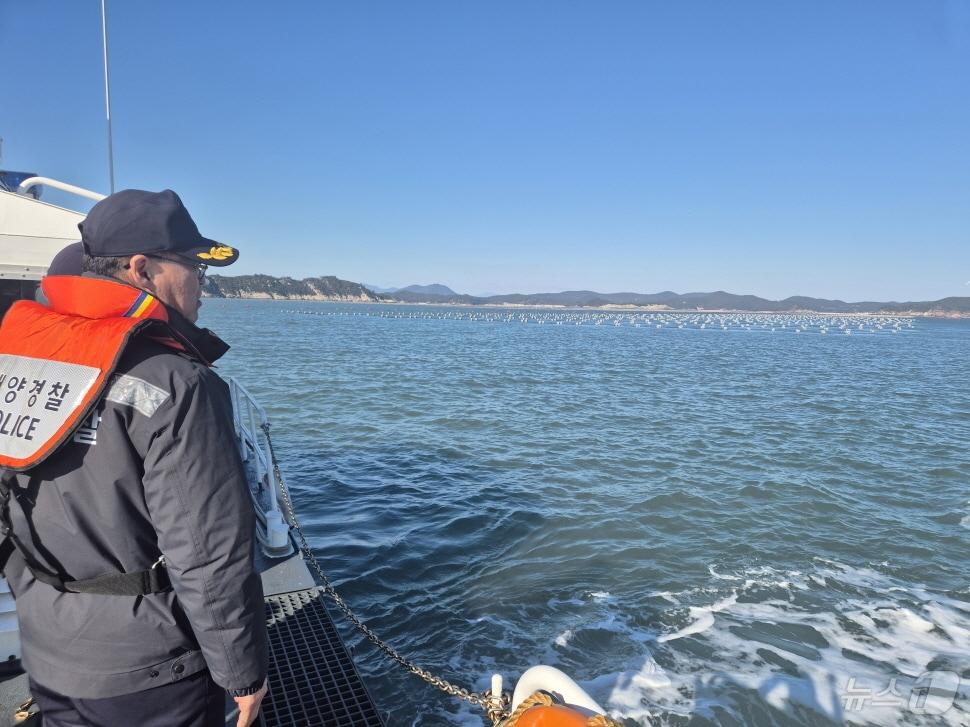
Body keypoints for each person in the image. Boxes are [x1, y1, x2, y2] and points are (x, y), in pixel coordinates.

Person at [0, 189, 268, 727]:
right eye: (194, 267)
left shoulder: (19, 360)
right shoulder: (177, 382)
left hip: (50, 649)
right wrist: (242, 672)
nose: (202, 285)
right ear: (142, 269)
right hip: (151, 670)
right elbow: (206, 550)